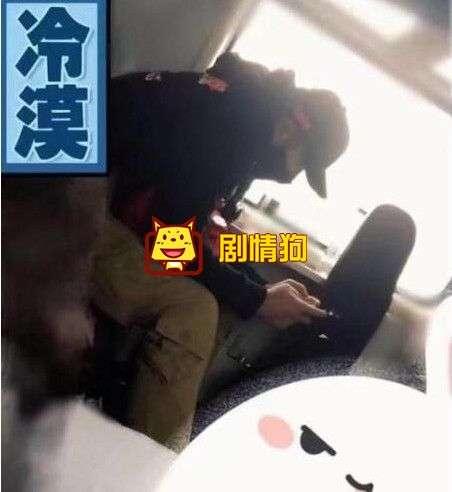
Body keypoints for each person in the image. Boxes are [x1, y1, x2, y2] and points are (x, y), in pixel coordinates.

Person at [92, 52, 350, 450]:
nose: (291, 177)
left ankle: (144, 420)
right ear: (290, 132)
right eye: (301, 166)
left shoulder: (242, 115)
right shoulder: (227, 125)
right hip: (53, 204)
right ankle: (154, 460)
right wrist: (256, 298)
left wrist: (258, 289)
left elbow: (192, 227)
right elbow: (167, 242)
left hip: (100, 201)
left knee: (224, 301)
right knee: (195, 309)